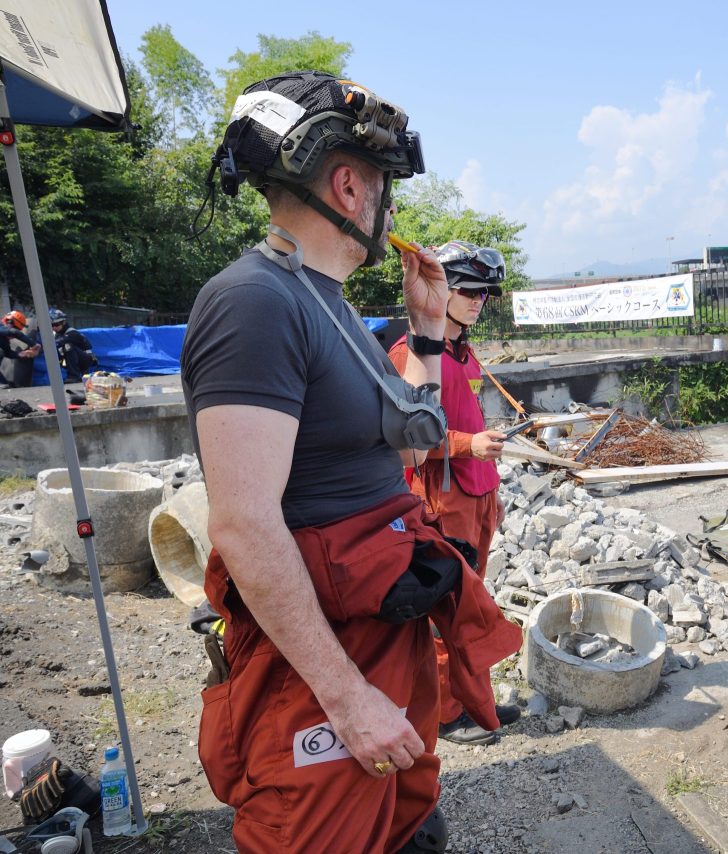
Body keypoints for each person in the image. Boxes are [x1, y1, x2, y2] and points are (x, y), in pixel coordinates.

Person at [181, 71, 519, 853]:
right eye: (385, 191)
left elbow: (410, 439)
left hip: (379, 624)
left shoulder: (323, 300)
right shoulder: (254, 302)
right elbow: (243, 520)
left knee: (402, 826)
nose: (389, 211)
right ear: (348, 186)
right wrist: (346, 699)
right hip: (321, 660)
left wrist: (427, 332)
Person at [387, 240, 519, 747]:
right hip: (442, 501)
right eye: (467, 289)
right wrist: (469, 446)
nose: (477, 299)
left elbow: (469, 420)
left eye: (483, 292)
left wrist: (493, 494)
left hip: (475, 497)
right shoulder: (412, 354)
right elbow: (406, 438)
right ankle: (445, 712)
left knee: (474, 605)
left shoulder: (463, 352)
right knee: (446, 612)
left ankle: (474, 702)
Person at [48, 309, 96, 381]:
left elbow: (59, 342)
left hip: (86, 360)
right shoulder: (57, 335)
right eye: (52, 325)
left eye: (56, 324)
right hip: (68, 361)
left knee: (68, 346)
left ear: (63, 322)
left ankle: (74, 376)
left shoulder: (72, 333)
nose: (54, 328)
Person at [0, 310, 41, 388]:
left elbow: (8, 353)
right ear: (9, 322)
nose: (13, 337)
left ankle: (3, 382)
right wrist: (34, 344)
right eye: (17, 328)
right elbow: (15, 333)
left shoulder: (3, 340)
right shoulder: (1, 327)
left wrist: (22, 354)